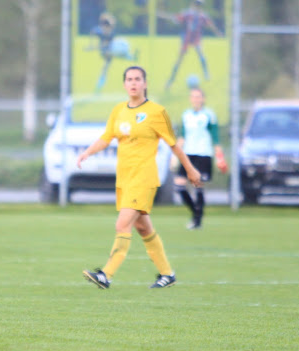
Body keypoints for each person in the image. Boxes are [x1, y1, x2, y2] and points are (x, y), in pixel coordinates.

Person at [76, 66, 202, 289]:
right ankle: (167, 274)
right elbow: (106, 138)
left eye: (137, 79)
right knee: (143, 228)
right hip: (124, 179)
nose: (133, 83)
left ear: (145, 83)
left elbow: (174, 146)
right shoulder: (118, 111)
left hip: (144, 178)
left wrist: (190, 169)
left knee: (122, 224)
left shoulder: (156, 112)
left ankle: (107, 274)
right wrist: (87, 152)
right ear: (125, 84)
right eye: (129, 79)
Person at [174, 87, 227, 229]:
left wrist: (220, 157)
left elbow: (215, 137)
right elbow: (182, 137)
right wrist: (175, 157)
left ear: (203, 99)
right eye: (193, 97)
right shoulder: (186, 115)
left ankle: (197, 220)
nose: (196, 99)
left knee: (198, 187)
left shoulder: (209, 115)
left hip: (203, 154)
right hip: (188, 155)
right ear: (190, 99)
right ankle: (196, 212)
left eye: (198, 97)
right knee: (179, 186)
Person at [159, 0, 223, 90]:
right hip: (187, 39)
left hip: (196, 38)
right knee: (179, 60)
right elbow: (177, 18)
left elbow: (210, 25)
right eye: (196, 5)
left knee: (201, 55)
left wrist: (218, 33)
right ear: (193, 5)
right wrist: (168, 17)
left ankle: (206, 74)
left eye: (199, 5)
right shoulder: (187, 14)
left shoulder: (202, 16)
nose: (197, 7)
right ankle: (170, 81)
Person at [85, 12, 138, 92]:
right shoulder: (100, 31)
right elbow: (93, 32)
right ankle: (99, 86)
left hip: (109, 50)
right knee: (106, 67)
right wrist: (91, 44)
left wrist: (93, 47)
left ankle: (131, 57)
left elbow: (105, 45)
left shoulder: (111, 34)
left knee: (108, 64)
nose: (107, 29)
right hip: (106, 52)